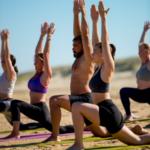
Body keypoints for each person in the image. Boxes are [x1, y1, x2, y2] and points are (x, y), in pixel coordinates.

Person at [67, 1, 150, 150]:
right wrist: (94, 22)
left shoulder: (108, 67)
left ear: (106, 55)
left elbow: (104, 42)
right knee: (137, 140)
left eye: (96, 51)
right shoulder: (98, 67)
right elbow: (97, 41)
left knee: (77, 106)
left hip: (108, 112)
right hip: (104, 112)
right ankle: (138, 130)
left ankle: (78, 145)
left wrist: (104, 19)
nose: (93, 53)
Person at [2, 22, 74, 139]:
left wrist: (49, 37)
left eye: (36, 62)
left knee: (15, 103)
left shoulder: (46, 76)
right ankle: (84, 127)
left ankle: (15, 133)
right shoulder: (37, 74)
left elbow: (45, 54)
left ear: (43, 63)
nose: (34, 64)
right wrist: (42, 36)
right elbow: (38, 52)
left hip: (41, 110)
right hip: (35, 110)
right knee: (60, 129)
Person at [0, 29, 42, 130]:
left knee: (21, 127)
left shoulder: (11, 73)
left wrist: (7, 40)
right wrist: (2, 41)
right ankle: (43, 124)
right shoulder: (3, 73)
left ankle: (44, 124)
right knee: (22, 127)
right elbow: (3, 56)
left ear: (10, 62)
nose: (2, 61)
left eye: (4, 61)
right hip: (3, 104)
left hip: (7, 104)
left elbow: (6, 57)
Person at [120, 21, 150, 121]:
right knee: (123, 91)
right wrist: (144, 31)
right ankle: (128, 115)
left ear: (147, 52)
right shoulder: (143, 62)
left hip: (149, 93)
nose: (138, 53)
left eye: (140, 51)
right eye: (138, 51)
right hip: (140, 94)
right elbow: (140, 45)